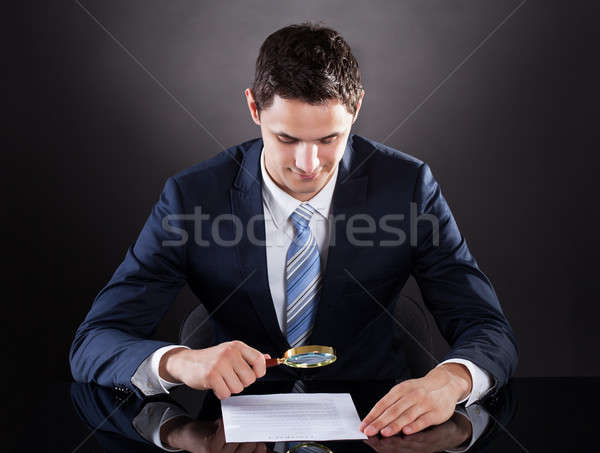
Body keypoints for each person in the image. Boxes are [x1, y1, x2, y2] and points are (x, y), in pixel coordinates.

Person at [70, 22, 518, 438]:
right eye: (287, 139)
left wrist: (452, 380)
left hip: (377, 425)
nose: (309, 165)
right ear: (253, 107)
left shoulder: (408, 187)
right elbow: (95, 340)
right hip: (233, 432)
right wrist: (180, 362)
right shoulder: (192, 197)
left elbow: (486, 326)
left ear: (356, 107)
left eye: (329, 140)